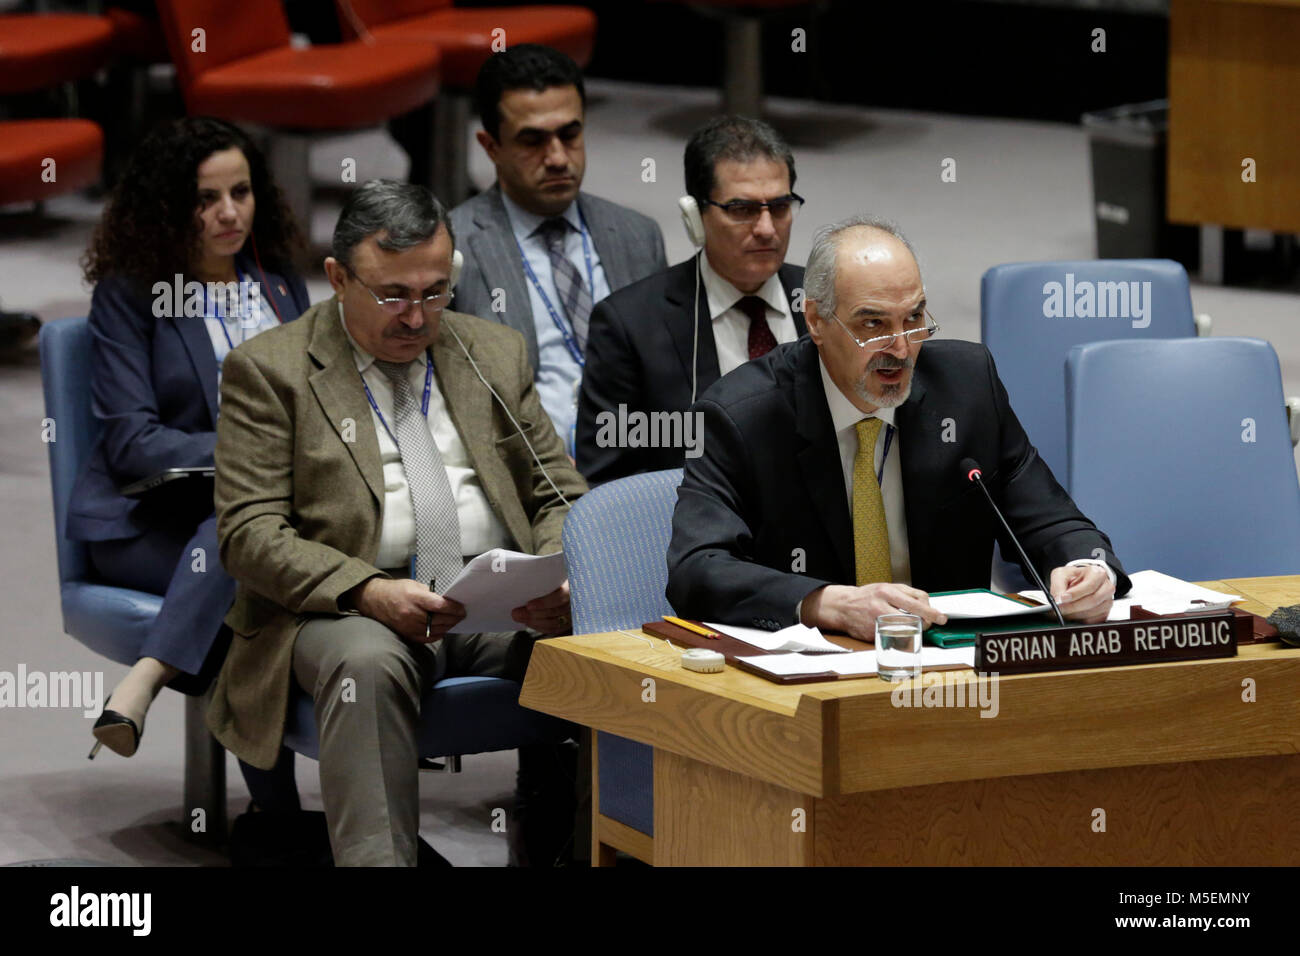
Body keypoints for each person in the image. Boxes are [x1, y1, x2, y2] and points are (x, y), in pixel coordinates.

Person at [208, 179, 588, 866]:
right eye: (393, 295)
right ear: (337, 277)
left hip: (493, 602)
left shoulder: (491, 353)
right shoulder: (270, 371)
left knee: (614, 636)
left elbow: (559, 494)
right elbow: (248, 533)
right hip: (344, 609)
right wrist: (366, 591)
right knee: (368, 664)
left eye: (434, 292)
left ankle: (590, 852)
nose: (416, 317)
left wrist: (559, 578)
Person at [666, 216, 1128, 638]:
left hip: (952, 670)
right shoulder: (741, 416)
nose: (902, 350)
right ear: (816, 322)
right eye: (874, 324)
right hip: (815, 674)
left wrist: (1088, 570)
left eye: (914, 318)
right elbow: (697, 570)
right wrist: (826, 603)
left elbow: (1053, 521)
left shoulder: (966, 388)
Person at [68, 117, 309, 810]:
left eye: (241, 191)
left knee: (250, 548)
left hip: (255, 519)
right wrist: (255, 453)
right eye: (207, 199)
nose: (229, 213)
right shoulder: (129, 292)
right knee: (246, 546)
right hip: (145, 521)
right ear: (170, 208)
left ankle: (147, 681)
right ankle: (277, 816)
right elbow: (132, 441)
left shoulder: (277, 282)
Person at [449, 44, 666, 451]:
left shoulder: (638, 236)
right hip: (527, 468)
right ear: (491, 146)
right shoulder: (453, 246)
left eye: (570, 134)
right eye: (533, 141)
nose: (557, 158)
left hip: (637, 455)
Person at [576, 115, 807, 484]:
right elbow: (611, 484)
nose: (766, 229)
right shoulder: (628, 327)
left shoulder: (827, 300)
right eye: (742, 210)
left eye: (779, 207)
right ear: (694, 217)